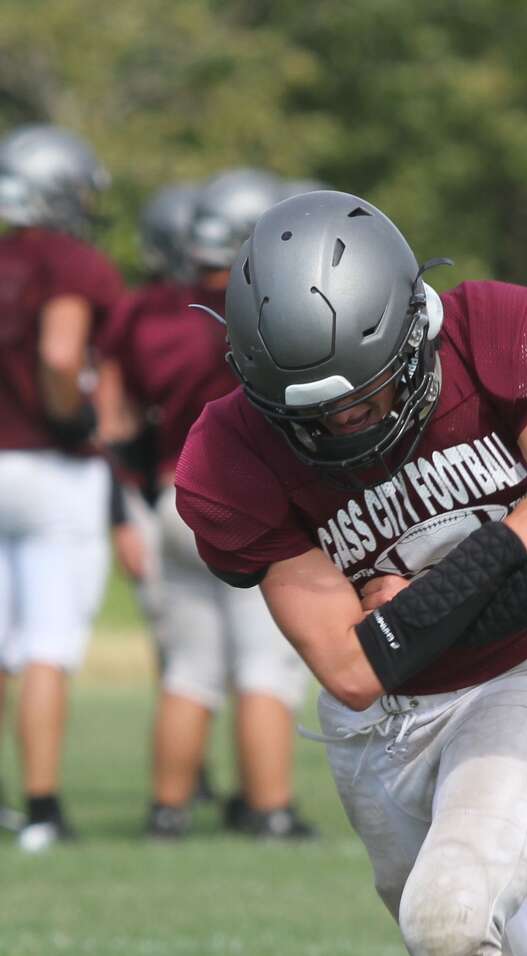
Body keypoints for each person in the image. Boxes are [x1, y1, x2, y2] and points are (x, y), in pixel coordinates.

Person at [173, 189, 527, 954]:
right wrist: (506, 544)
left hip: (518, 679)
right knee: (464, 932)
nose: (341, 427)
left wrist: (412, 614)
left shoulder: (498, 335)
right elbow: (355, 672)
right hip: (374, 730)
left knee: (450, 913)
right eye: (311, 416)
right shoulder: (228, 455)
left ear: (412, 332)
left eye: (364, 398)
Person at [103, 169, 319, 839]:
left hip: (171, 496)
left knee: (190, 670)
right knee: (263, 664)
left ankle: (168, 810)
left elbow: (112, 422)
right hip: (250, 498)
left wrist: (127, 507)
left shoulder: (145, 311)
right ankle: (270, 808)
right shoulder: (275, 306)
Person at [0, 124, 125, 851]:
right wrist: (75, 420)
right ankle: (42, 808)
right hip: (49, 468)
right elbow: (58, 352)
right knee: (46, 642)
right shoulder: (71, 261)